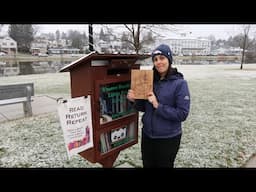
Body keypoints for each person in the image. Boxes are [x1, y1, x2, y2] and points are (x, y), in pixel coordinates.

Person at [127, 44, 190, 168]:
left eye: (162, 58)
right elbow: (144, 107)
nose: (158, 62)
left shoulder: (180, 83)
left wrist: (157, 105)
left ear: (169, 60)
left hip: (168, 138)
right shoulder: (150, 80)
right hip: (148, 136)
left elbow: (182, 114)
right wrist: (133, 100)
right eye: (155, 59)